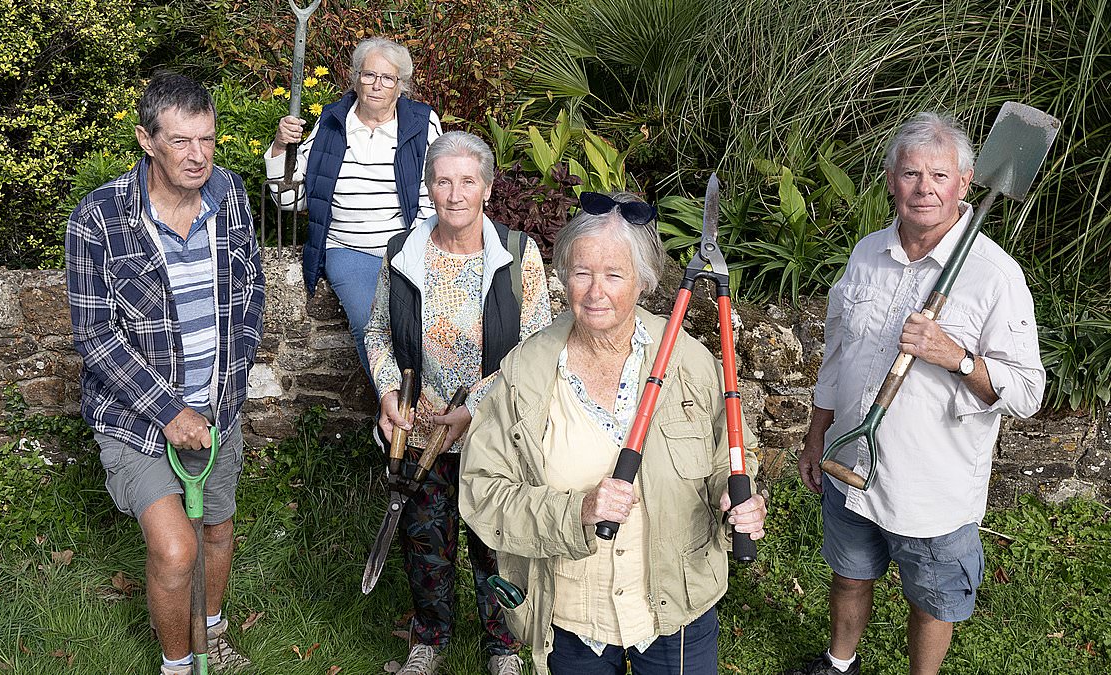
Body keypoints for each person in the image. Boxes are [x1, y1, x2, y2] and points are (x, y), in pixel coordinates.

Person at [459, 191, 769, 675]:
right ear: (563, 277)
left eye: (614, 274)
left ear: (644, 281)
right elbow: (482, 491)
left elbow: (729, 456)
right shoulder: (526, 373)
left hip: (677, 612)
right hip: (570, 617)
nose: (594, 291)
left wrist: (739, 499)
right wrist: (577, 509)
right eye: (582, 272)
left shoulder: (688, 361)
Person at [786, 112, 1045, 675]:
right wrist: (816, 434)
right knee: (850, 573)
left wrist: (953, 355)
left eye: (939, 176)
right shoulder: (866, 255)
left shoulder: (994, 277)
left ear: (966, 183)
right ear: (890, 181)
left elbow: (1027, 392)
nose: (924, 188)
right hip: (852, 463)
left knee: (932, 602)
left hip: (931, 489)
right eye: (910, 174)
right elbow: (839, 355)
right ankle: (839, 663)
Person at [66, 72, 265, 675]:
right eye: (180, 141)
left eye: (206, 138)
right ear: (146, 141)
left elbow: (251, 292)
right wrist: (169, 412)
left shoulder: (229, 195)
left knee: (217, 534)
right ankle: (178, 665)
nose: (197, 155)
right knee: (176, 550)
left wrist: (231, 381)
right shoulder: (98, 219)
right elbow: (95, 336)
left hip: (217, 412)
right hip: (138, 422)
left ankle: (210, 631)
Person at [365, 131, 553, 675]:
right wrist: (388, 392)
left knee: (495, 542)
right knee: (426, 539)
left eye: (467, 181)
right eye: (442, 181)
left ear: (487, 188)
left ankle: (504, 647)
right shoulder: (404, 253)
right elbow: (377, 332)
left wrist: (476, 409)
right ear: (428, 188)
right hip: (418, 431)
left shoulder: (518, 256)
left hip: (493, 433)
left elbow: (534, 349)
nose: (454, 194)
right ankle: (429, 638)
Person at [268, 36, 442, 378]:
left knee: (422, 330)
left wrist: (414, 248)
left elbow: (434, 192)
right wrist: (278, 147)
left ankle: (419, 412)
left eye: (388, 78)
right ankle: (396, 414)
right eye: (368, 75)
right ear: (355, 78)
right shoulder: (331, 123)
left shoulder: (422, 123)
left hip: (406, 250)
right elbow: (291, 199)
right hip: (348, 250)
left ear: (400, 86)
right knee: (370, 325)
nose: (377, 85)